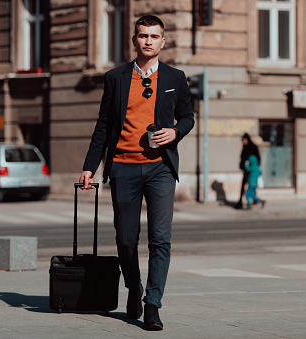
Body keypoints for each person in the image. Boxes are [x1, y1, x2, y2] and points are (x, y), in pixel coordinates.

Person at [79, 15, 194, 331]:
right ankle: (133, 286)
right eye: (143, 35)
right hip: (123, 168)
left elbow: (187, 117)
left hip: (160, 169)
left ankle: (153, 304)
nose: (148, 41)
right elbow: (104, 125)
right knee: (126, 240)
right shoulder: (115, 77)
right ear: (134, 40)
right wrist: (91, 167)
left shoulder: (175, 77)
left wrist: (175, 132)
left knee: (160, 239)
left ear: (162, 42)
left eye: (154, 36)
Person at [235, 133, 260, 209]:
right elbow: (242, 158)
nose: (244, 142)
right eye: (243, 140)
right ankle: (241, 201)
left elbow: (257, 159)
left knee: (251, 186)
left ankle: (253, 200)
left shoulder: (253, 147)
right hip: (246, 171)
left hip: (252, 171)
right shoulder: (244, 147)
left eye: (244, 140)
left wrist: (252, 168)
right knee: (244, 186)